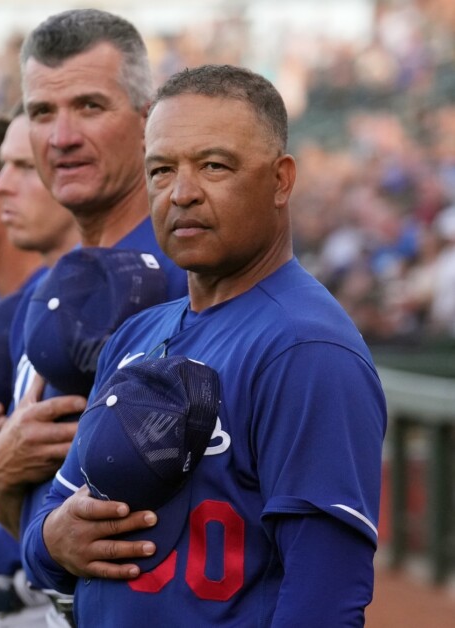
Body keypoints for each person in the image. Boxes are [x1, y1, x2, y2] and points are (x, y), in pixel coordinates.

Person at [22, 64, 386, 626]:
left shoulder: (307, 348)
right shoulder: (135, 335)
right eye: (161, 170)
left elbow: (326, 596)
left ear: (281, 180)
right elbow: (47, 527)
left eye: (214, 166)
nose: (183, 193)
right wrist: (52, 540)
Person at [0, 10, 188, 625]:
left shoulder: (188, 269)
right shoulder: (51, 285)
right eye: (42, 113)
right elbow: (34, 505)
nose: (61, 136)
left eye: (90, 107)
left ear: (147, 118)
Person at [0, 109, 80, 626]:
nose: (0, 187)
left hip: (52, 594)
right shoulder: (34, 297)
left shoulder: (126, 297)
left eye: (24, 167)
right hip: (0, 576)